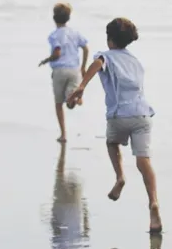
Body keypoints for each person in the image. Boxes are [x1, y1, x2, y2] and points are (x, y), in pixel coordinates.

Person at [67, 17, 161, 234]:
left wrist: (82, 85)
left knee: (112, 143)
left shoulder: (105, 55)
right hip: (143, 115)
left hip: (120, 115)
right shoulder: (136, 61)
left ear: (109, 39)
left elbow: (97, 64)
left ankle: (119, 177)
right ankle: (154, 203)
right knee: (144, 160)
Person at [37, 2, 90, 143]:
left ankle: (63, 134)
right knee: (70, 95)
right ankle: (75, 98)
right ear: (68, 18)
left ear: (54, 18)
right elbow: (85, 48)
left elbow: (57, 53)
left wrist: (46, 60)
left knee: (58, 103)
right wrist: (83, 67)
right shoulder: (75, 33)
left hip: (59, 70)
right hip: (74, 70)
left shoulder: (54, 35)